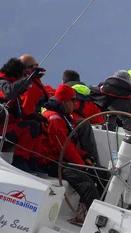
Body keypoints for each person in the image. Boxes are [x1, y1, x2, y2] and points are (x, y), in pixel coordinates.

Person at [39, 84, 107, 224]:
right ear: (64, 101)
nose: (76, 104)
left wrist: (85, 156)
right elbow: (62, 147)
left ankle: (106, 213)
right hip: (50, 162)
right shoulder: (54, 119)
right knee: (86, 183)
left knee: (103, 174)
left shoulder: (62, 117)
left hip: (62, 160)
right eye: (73, 100)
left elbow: (70, 145)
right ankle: (93, 221)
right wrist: (82, 166)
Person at [0, 57, 46, 172]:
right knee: (31, 127)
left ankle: (32, 161)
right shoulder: (0, 84)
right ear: (17, 74)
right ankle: (19, 162)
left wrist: (31, 116)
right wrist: (29, 78)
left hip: (2, 130)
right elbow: (9, 93)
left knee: (36, 124)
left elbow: (15, 115)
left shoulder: (9, 85)